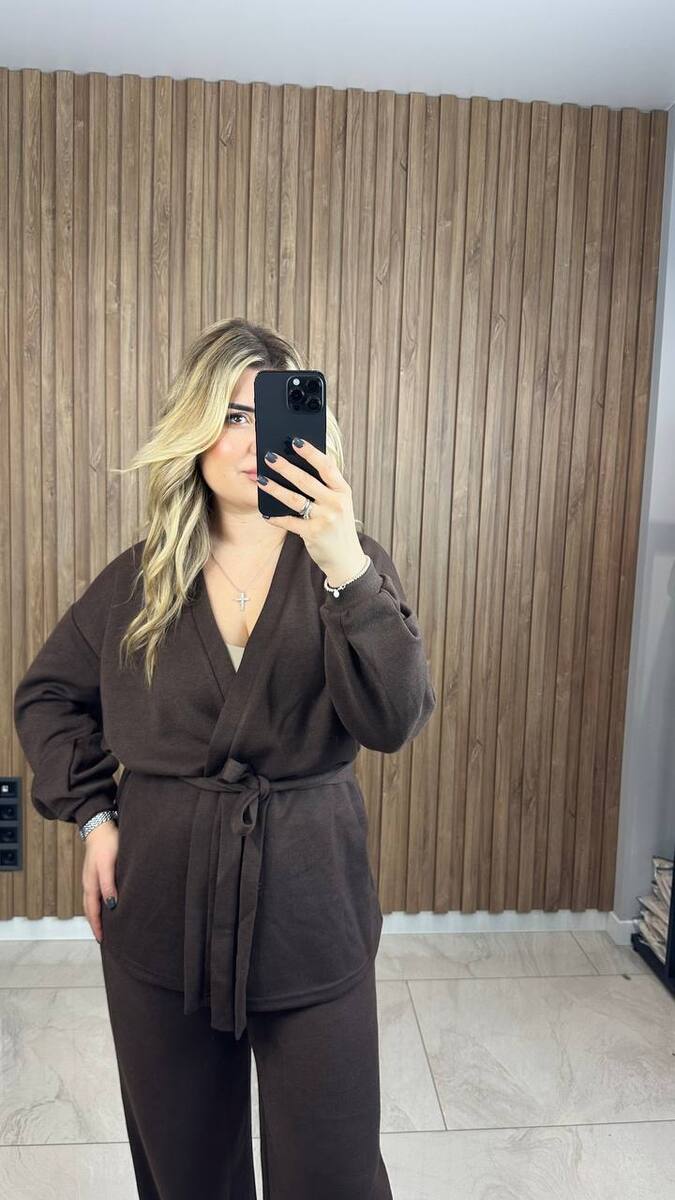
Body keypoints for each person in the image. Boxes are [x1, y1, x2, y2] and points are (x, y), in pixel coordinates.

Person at [13, 316, 436, 1200]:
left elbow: (394, 719)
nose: (250, 441)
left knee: (332, 1172)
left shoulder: (350, 566)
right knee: (187, 1172)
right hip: (162, 905)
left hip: (310, 906)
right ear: (196, 430)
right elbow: (47, 696)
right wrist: (94, 817)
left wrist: (344, 563)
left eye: (271, 413)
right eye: (231, 416)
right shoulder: (139, 579)